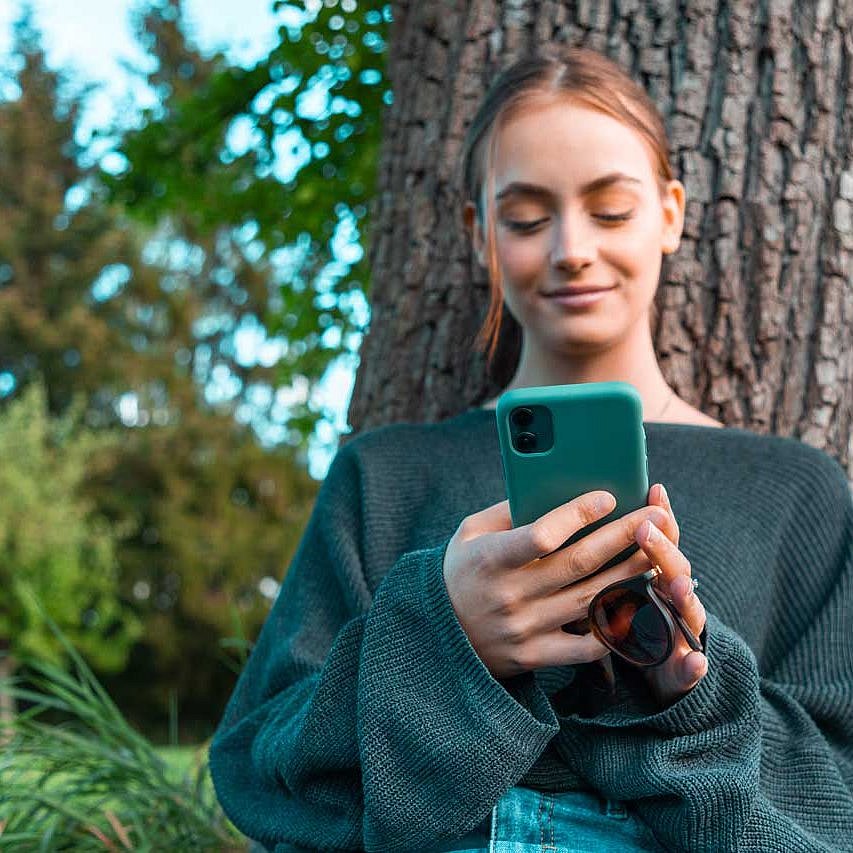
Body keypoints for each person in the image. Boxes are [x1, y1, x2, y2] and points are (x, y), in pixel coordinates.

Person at [208, 45, 853, 852]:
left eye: (610, 210)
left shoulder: (794, 489)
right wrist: (447, 638)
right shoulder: (382, 473)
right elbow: (259, 771)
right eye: (523, 218)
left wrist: (686, 690)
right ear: (480, 232)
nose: (569, 249)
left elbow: (835, 794)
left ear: (670, 213)